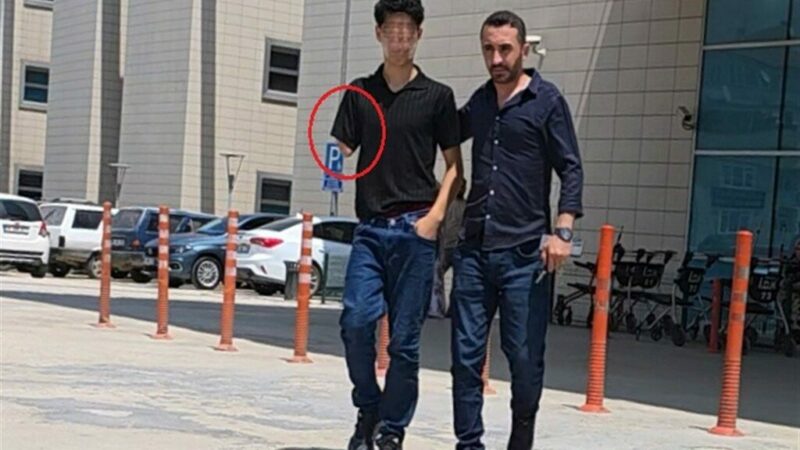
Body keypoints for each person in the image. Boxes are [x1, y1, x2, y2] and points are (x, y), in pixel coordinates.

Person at [331, 1, 464, 449]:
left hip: (415, 230)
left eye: (408, 29)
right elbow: (341, 149)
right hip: (370, 230)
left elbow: (454, 168)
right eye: (392, 28)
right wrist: (332, 155)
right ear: (379, 33)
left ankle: (392, 430)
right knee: (355, 321)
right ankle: (369, 406)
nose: (400, 37)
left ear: (419, 34)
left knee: (404, 343)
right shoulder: (360, 93)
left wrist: (434, 219)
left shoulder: (437, 96)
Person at [451, 11, 584, 450]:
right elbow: (442, 132)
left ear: (523, 50)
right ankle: (469, 444)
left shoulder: (547, 101)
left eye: (505, 49)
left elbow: (571, 168)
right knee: (465, 358)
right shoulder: (480, 101)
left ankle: (520, 441)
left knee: (524, 359)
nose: (496, 58)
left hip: (525, 255)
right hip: (473, 251)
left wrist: (563, 231)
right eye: (488, 49)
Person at [430, 182, 467, 319]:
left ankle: (438, 309)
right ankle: (450, 309)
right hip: (456, 246)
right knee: (454, 281)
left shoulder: (448, 205)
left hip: (448, 246)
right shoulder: (464, 205)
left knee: (438, 279)